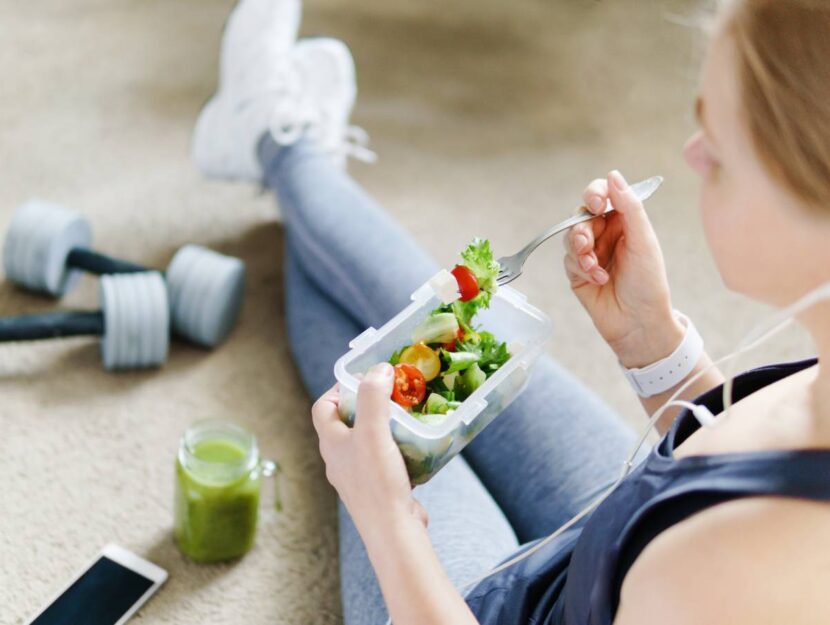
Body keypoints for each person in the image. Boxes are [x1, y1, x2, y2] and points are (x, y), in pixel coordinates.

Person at [191, 0, 830, 622]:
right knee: (398, 330)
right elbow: (742, 466)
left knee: (359, 382)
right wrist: (655, 345)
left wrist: (385, 521)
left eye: (718, 149)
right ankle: (286, 150)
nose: (691, 154)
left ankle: (284, 146)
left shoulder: (737, 578)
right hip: (623, 530)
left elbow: (727, 536)